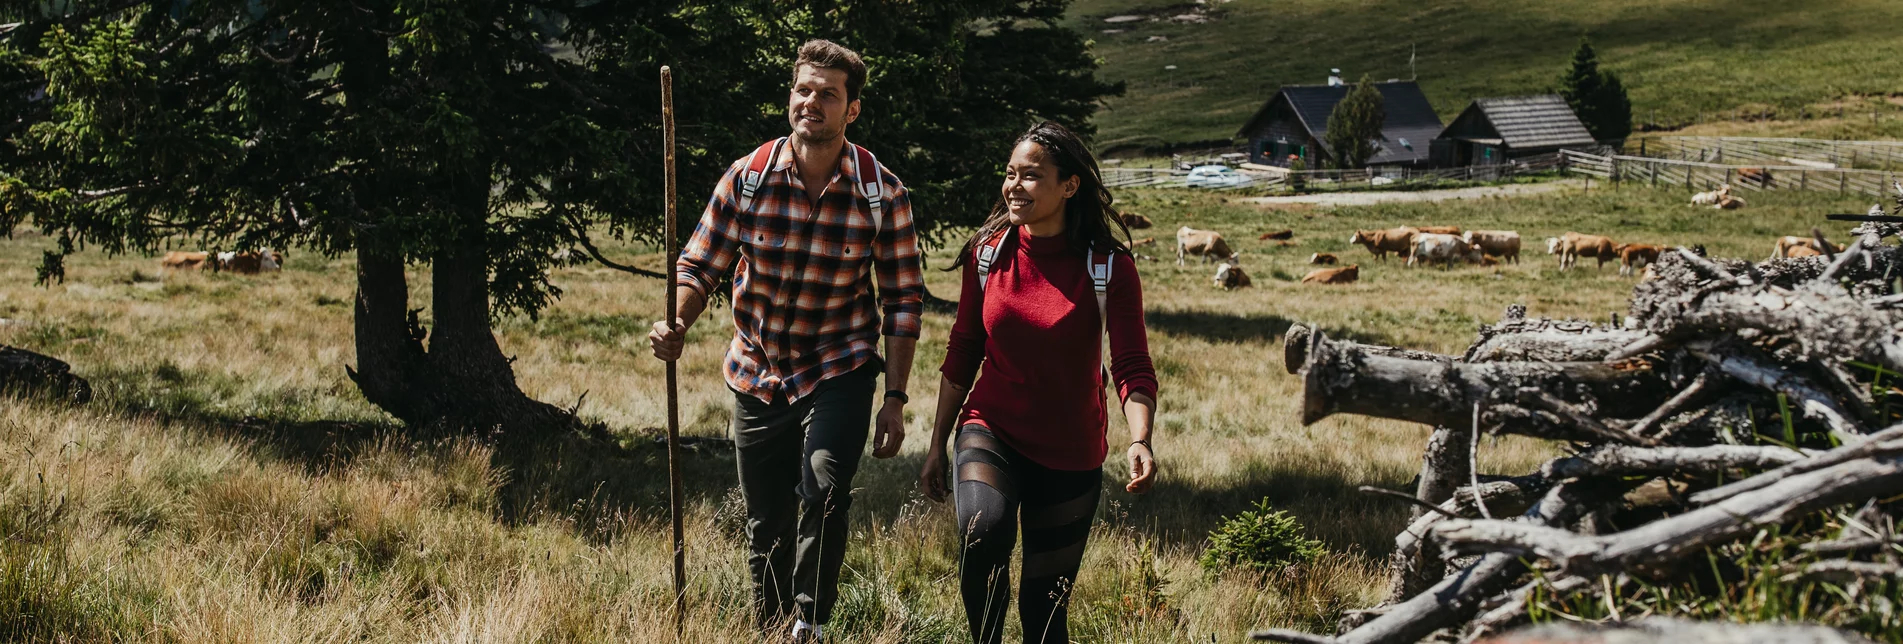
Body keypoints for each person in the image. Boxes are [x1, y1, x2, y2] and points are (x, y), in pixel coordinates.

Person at [649, 39, 923, 643]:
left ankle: (810, 622)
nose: (812, 103)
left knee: (824, 487)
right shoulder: (747, 179)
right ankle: (768, 625)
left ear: (851, 110)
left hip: (840, 365)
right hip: (757, 368)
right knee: (765, 520)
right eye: (804, 90)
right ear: (790, 97)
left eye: (829, 94)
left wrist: (895, 399)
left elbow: (903, 300)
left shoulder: (883, 194)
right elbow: (699, 266)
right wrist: (678, 322)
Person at [919, 121, 1159, 644]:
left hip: (1071, 449)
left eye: (1032, 176)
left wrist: (1139, 437)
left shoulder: (1108, 267)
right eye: (1010, 175)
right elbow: (963, 349)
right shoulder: (987, 253)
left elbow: (1132, 363)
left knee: (1045, 610)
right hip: (992, 427)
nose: (1014, 186)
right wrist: (937, 442)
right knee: (983, 533)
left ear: (1069, 186)